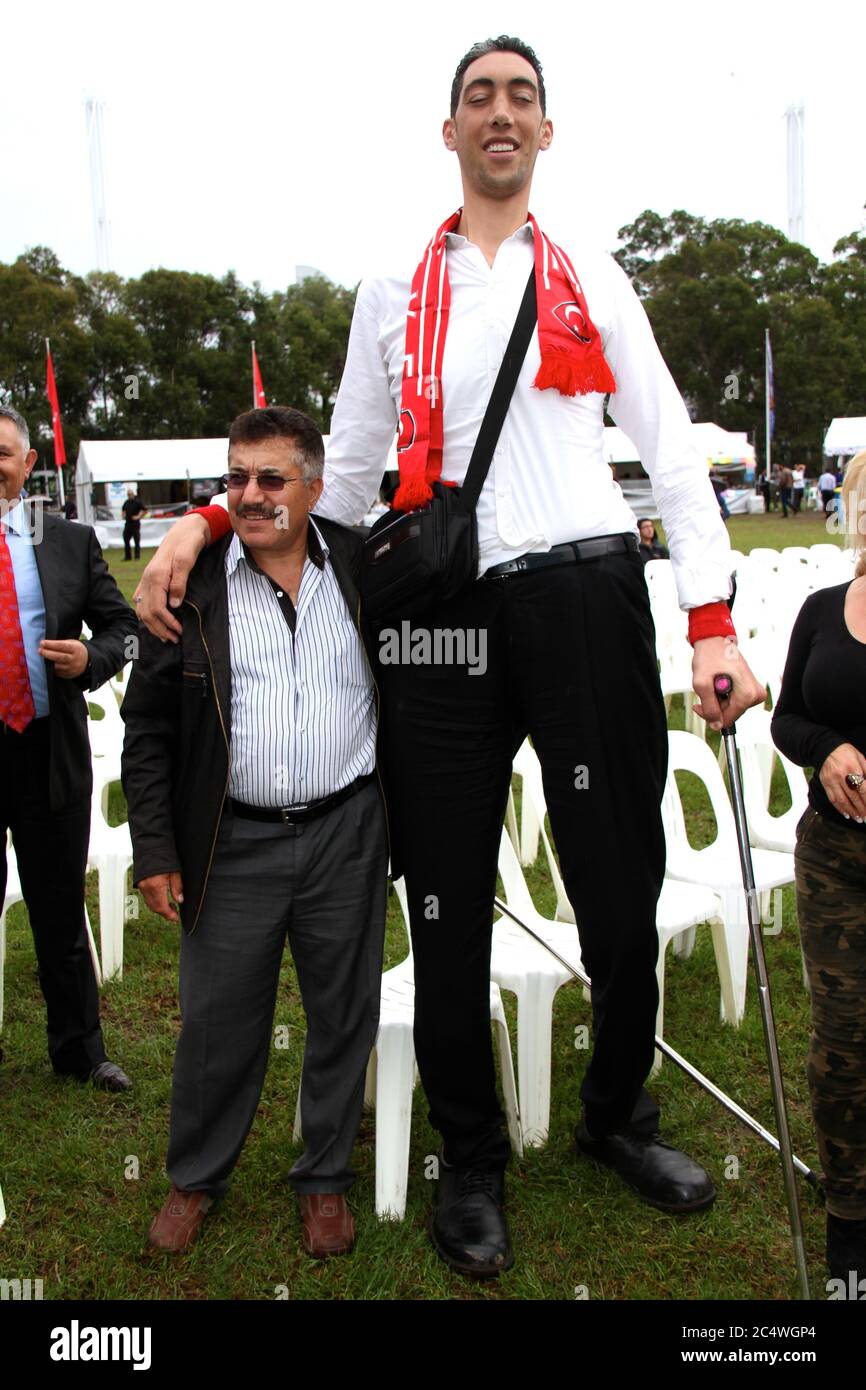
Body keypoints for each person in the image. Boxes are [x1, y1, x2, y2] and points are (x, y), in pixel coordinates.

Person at [133, 36, 764, 1278]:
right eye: (478, 95)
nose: (500, 112)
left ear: (544, 131)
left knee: (615, 878)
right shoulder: (390, 288)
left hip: (583, 597)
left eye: (521, 97)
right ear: (449, 130)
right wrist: (218, 515)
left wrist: (709, 619)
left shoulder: (593, 278)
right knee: (446, 893)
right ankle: (468, 1154)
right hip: (443, 626)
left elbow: (671, 449)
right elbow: (346, 478)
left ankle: (613, 1113)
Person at [121, 407, 387, 1257]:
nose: (251, 495)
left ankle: (324, 1179)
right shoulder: (188, 589)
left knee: (342, 1015)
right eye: (236, 479)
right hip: (229, 842)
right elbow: (148, 729)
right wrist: (156, 850)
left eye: (272, 479)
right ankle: (195, 1178)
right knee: (216, 1023)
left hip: (347, 830)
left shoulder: (365, 567)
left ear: (314, 485)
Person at [0, 406, 135, 1091]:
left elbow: (125, 628)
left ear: (28, 465)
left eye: (2, 452)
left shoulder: (70, 539)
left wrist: (91, 657)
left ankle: (80, 1052)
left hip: (47, 751)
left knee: (57, 903)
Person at [771, 450, 866, 1291]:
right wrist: (826, 748)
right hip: (836, 855)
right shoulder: (824, 609)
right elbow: (789, 715)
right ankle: (848, 1217)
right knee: (843, 1038)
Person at [121, 487, 146, 561]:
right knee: (126, 539)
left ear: (133, 494)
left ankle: (137, 556)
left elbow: (145, 510)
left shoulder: (137, 502)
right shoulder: (126, 502)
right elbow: (123, 510)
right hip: (127, 523)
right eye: (128, 494)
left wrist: (138, 516)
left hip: (135, 524)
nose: (130, 496)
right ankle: (127, 556)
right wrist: (123, 515)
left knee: (136, 540)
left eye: (131, 494)